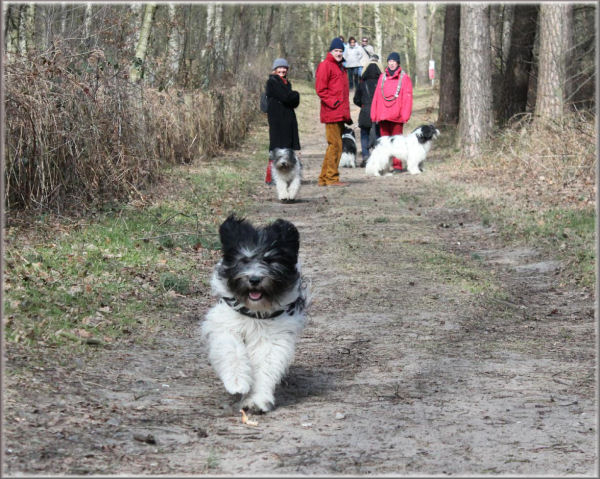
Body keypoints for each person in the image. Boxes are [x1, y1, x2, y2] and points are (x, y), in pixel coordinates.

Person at [315, 37, 352, 187]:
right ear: (331, 51)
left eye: (341, 51)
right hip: (331, 112)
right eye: (336, 51)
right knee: (335, 146)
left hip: (339, 114)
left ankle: (324, 178)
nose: (339, 53)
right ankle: (332, 178)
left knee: (334, 146)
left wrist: (346, 115)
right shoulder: (325, 65)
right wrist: (334, 103)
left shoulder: (341, 67)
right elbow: (320, 90)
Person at [370, 51, 413, 171]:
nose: (391, 63)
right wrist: (374, 114)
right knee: (384, 143)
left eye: (394, 61)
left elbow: (407, 98)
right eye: (389, 61)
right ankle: (384, 165)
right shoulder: (382, 77)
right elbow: (377, 96)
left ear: (398, 63)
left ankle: (397, 165)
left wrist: (405, 115)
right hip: (383, 115)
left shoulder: (404, 78)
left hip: (397, 116)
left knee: (397, 142)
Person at [264, 58, 301, 184]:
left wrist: (293, 97)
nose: (282, 70)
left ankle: (286, 175)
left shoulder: (286, 82)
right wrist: (296, 95)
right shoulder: (272, 82)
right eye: (279, 68)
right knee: (276, 147)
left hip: (286, 118)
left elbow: (292, 101)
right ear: (275, 69)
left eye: (284, 68)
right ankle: (272, 177)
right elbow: (286, 97)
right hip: (277, 120)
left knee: (286, 147)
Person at [353, 60, 381, 167]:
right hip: (377, 112)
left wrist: (363, 105)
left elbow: (355, 99)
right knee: (378, 134)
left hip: (364, 112)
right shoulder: (380, 83)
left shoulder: (362, 84)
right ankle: (378, 157)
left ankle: (365, 156)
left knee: (364, 134)